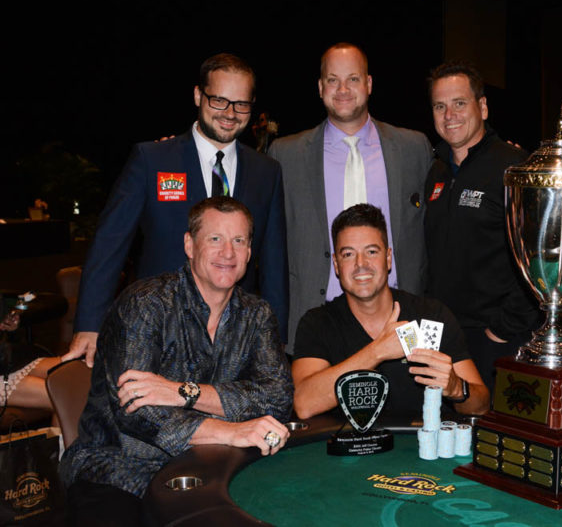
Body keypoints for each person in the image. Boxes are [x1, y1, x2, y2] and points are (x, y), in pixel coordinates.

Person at [60, 197, 293, 527]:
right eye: (215, 239)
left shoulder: (258, 315)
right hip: (117, 469)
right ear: (189, 244)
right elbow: (138, 412)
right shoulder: (146, 304)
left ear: (249, 252)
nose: (228, 253)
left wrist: (186, 392)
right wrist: (232, 431)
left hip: (211, 468)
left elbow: (278, 399)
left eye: (238, 240)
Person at [66, 53, 289, 368]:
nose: (230, 113)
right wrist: (89, 324)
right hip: (157, 335)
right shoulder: (152, 160)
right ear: (198, 95)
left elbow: (273, 261)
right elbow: (109, 245)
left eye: (241, 104)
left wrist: (275, 337)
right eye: (219, 101)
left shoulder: (267, 172)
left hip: (237, 342)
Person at [268, 43, 431, 354]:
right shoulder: (285, 155)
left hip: (399, 322)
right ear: (320, 87)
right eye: (332, 80)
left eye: (353, 79)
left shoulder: (414, 148)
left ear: (368, 85)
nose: (342, 89)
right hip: (316, 324)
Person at [292, 204, 489, 419]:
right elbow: (304, 404)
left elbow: (481, 406)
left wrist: (456, 388)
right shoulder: (317, 323)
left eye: (371, 252)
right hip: (353, 450)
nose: (361, 264)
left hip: (422, 447)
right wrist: (378, 351)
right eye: (348, 254)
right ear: (336, 265)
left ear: (388, 258)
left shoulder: (431, 315)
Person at [424, 61, 538, 392]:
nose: (449, 115)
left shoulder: (514, 167)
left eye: (459, 103)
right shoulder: (437, 171)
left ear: (483, 107)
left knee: (494, 436)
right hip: (446, 338)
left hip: (496, 339)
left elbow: (537, 257)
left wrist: (503, 329)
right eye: (440, 106)